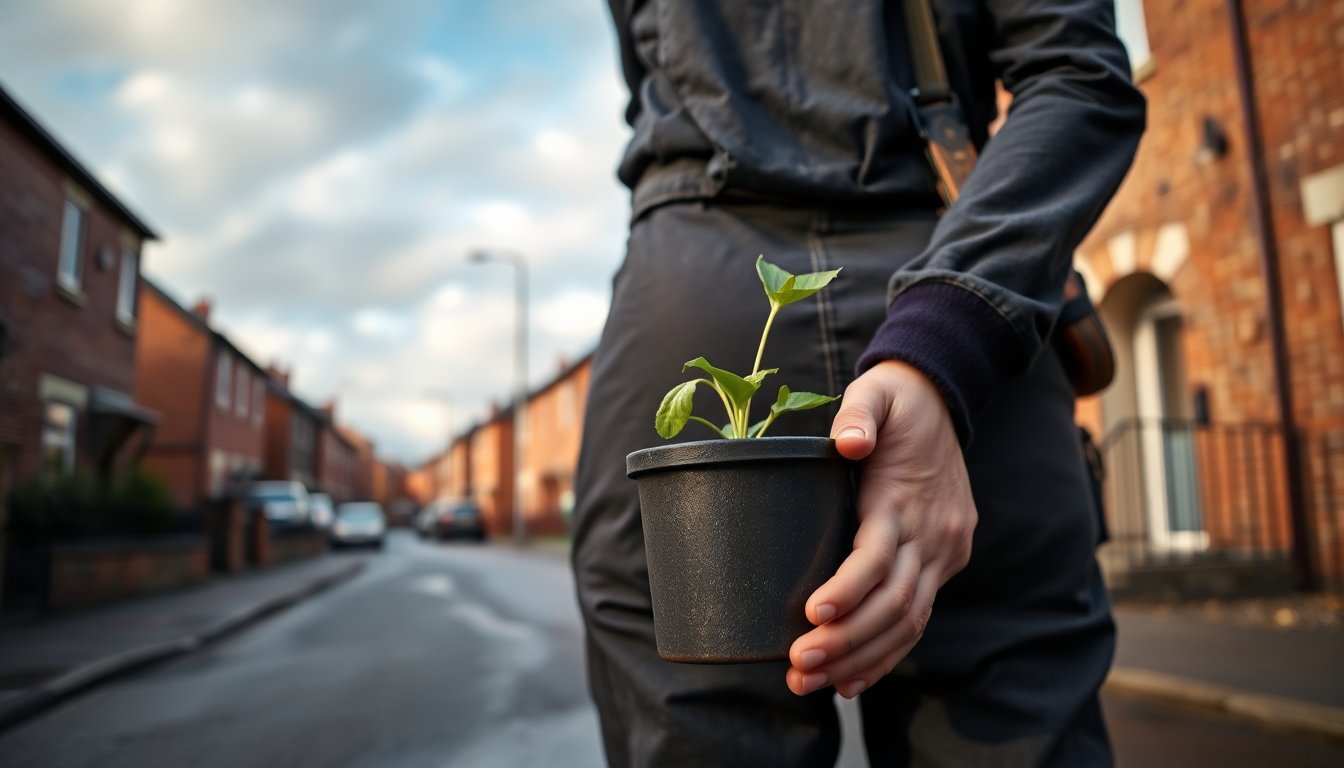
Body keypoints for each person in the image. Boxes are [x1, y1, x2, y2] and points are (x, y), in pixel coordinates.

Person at [570, 0, 1145, 765]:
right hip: (967, 267)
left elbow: (645, 71)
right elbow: (1078, 78)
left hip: (694, 279)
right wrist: (946, 340)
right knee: (1008, 719)